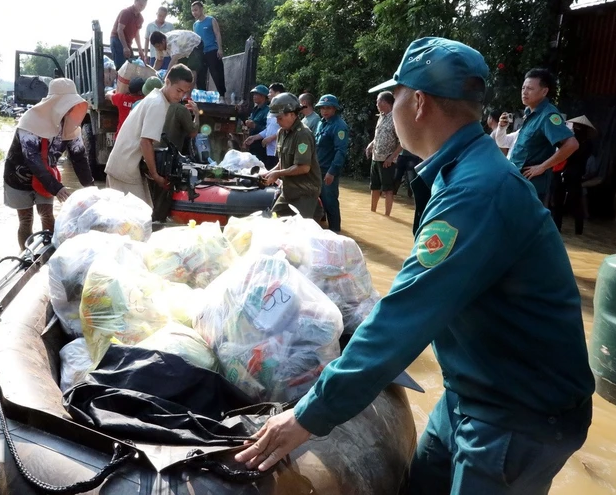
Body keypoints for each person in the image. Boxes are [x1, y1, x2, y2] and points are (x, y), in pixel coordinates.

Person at [236, 37, 594, 495]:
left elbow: (402, 321)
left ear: (419, 102)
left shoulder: (476, 192)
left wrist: (307, 416)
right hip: (472, 390)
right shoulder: (459, 171)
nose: (391, 110)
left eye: (396, 96)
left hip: (520, 412)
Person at [3, 78, 94, 249]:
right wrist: (57, 188)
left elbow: (79, 158)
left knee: (47, 215)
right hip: (18, 177)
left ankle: (50, 252)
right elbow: (32, 159)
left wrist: (91, 188)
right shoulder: (29, 121)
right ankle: (26, 254)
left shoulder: (70, 126)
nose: (70, 109)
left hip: (46, 176)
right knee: (26, 219)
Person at [105, 64, 194, 207]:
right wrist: (156, 176)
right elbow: (145, 142)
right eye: (178, 90)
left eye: (184, 92)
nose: (180, 96)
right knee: (138, 216)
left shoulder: (155, 97)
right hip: (125, 169)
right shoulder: (158, 104)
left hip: (124, 166)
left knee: (140, 214)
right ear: (167, 82)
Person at [507, 68, 579, 203]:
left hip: (531, 185)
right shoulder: (530, 113)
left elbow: (572, 144)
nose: (524, 92)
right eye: (523, 88)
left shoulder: (548, 115)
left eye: (530, 88)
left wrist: (542, 167)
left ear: (544, 91)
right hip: (517, 181)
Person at [261, 93, 321, 219]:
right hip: (288, 191)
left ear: (292, 114)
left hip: (305, 192)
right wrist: (268, 174)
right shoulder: (281, 133)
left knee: (299, 228)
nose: (277, 121)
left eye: (280, 118)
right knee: (272, 221)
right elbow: (281, 162)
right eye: (276, 118)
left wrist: (277, 174)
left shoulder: (303, 134)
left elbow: (304, 167)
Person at [551, 115, 596, 235]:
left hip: (575, 176)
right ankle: (557, 228)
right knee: (558, 202)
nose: (575, 128)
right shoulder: (571, 140)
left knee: (575, 203)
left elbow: (575, 155)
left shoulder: (586, 143)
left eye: (578, 127)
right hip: (563, 173)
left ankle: (578, 231)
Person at [313, 94, 349, 231]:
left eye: (328, 108)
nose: (325, 111)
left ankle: (335, 231)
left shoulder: (339, 126)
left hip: (328, 170)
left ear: (334, 109)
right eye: (322, 108)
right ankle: (321, 230)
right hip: (317, 169)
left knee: (330, 202)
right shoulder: (321, 123)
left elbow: (341, 151)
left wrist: (332, 172)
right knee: (317, 201)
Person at [365, 91, 402, 216]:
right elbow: (379, 136)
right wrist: (371, 145)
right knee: (374, 187)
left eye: (378, 101)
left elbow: (402, 142)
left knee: (388, 189)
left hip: (387, 161)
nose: (376, 104)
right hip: (376, 158)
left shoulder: (396, 118)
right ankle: (373, 212)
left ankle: (387, 216)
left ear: (386, 102)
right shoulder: (381, 116)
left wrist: (391, 157)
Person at [244, 83, 285, 170]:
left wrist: (271, 138)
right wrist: (254, 137)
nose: (268, 95)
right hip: (269, 150)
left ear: (278, 93)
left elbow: (285, 129)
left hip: (280, 149)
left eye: (270, 92)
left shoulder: (285, 109)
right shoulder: (271, 111)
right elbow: (268, 129)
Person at [191, 1, 226, 99]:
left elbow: (217, 34)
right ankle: (203, 97)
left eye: (196, 10)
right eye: (192, 11)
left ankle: (222, 96)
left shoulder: (211, 20)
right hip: (200, 53)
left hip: (212, 50)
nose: (194, 13)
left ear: (201, 9)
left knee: (216, 73)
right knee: (200, 76)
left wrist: (220, 48)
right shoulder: (195, 25)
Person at [110, 0, 148, 71]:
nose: (141, 7)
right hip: (117, 39)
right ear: (135, 1)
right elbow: (119, 30)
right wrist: (125, 47)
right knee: (121, 67)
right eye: (140, 5)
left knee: (132, 64)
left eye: (144, 6)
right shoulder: (126, 12)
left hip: (128, 43)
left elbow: (137, 34)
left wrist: (140, 50)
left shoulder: (141, 18)